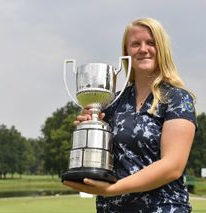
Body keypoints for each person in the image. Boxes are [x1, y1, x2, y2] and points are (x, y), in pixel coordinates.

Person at [63, 17, 197, 213]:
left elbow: (173, 166)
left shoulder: (177, 99)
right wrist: (88, 125)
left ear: (162, 49)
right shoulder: (111, 102)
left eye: (151, 43)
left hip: (163, 208)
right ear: (126, 53)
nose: (143, 49)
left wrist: (113, 189)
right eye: (135, 44)